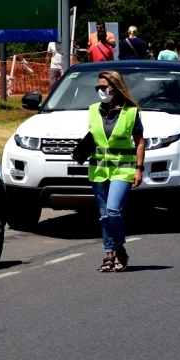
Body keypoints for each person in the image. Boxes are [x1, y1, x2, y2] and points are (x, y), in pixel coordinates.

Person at [72, 70, 145, 272]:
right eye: (98, 87)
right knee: (104, 215)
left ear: (115, 87)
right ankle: (109, 254)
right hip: (98, 169)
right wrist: (80, 151)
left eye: (103, 87)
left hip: (123, 169)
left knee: (113, 210)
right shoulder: (94, 109)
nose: (100, 91)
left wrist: (139, 168)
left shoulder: (131, 111)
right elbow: (94, 135)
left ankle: (119, 248)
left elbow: (139, 142)